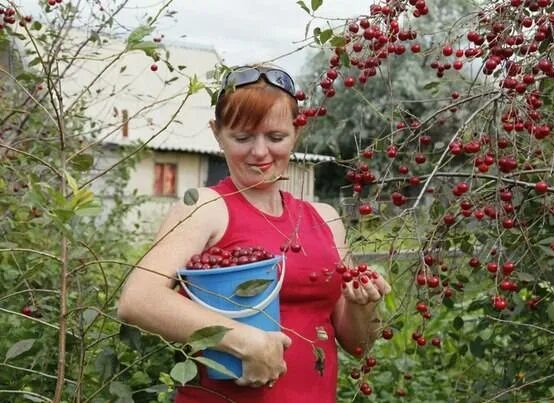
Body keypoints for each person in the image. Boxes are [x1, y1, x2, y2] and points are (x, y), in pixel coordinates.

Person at [117, 65, 391, 402]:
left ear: (296, 132)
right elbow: (138, 299)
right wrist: (240, 339)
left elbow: (358, 345)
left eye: (275, 137)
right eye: (243, 137)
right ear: (217, 134)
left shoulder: (326, 219)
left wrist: (363, 306)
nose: (259, 152)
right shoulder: (206, 208)